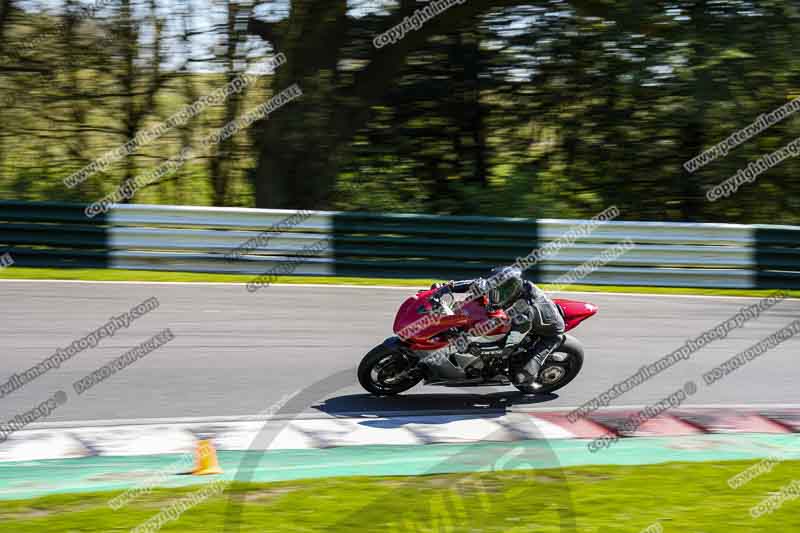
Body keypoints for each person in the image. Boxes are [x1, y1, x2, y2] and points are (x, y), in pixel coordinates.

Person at [432, 266, 565, 385]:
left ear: (512, 292)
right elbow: (476, 283)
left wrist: (477, 348)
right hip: (531, 316)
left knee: (522, 377)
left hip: (550, 333)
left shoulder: (524, 313)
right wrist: (446, 287)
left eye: (498, 294)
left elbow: (507, 347)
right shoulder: (506, 287)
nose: (493, 297)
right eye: (493, 292)